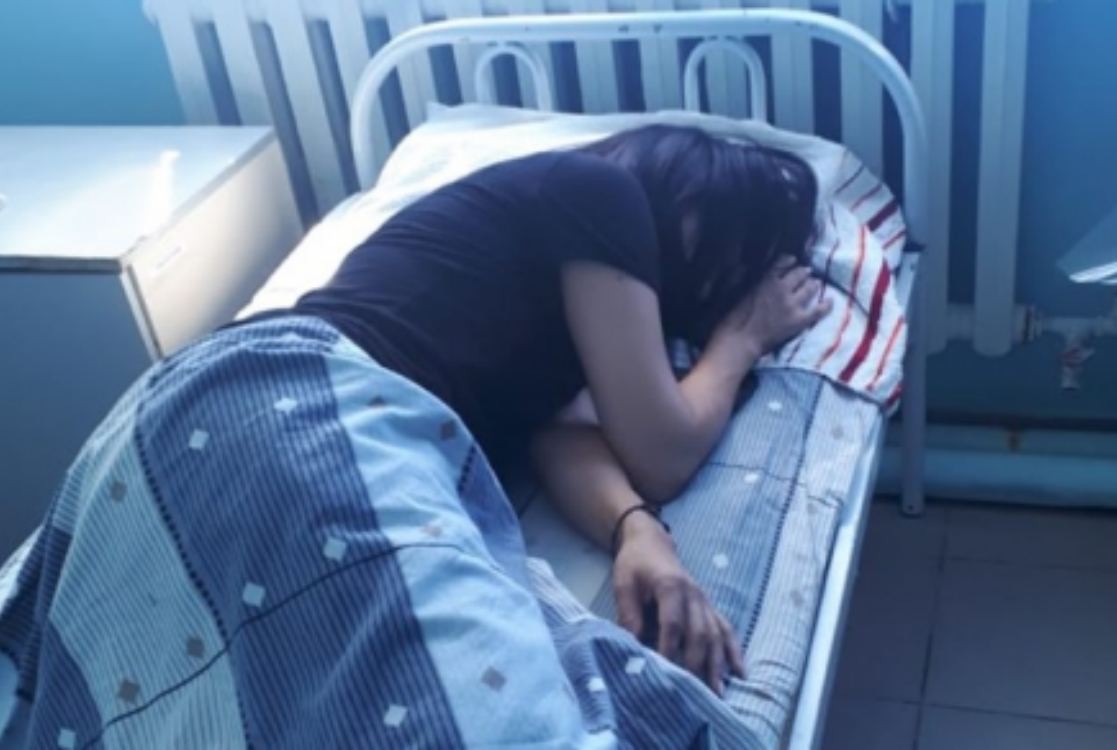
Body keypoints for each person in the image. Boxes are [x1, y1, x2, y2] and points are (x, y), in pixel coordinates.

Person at [0, 124, 829, 747]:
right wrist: (741, 340)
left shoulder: (535, 282)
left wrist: (635, 530)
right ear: (693, 194)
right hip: (295, 399)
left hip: (187, 410)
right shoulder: (601, 192)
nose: (715, 281)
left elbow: (563, 436)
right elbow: (661, 447)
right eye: (729, 253)